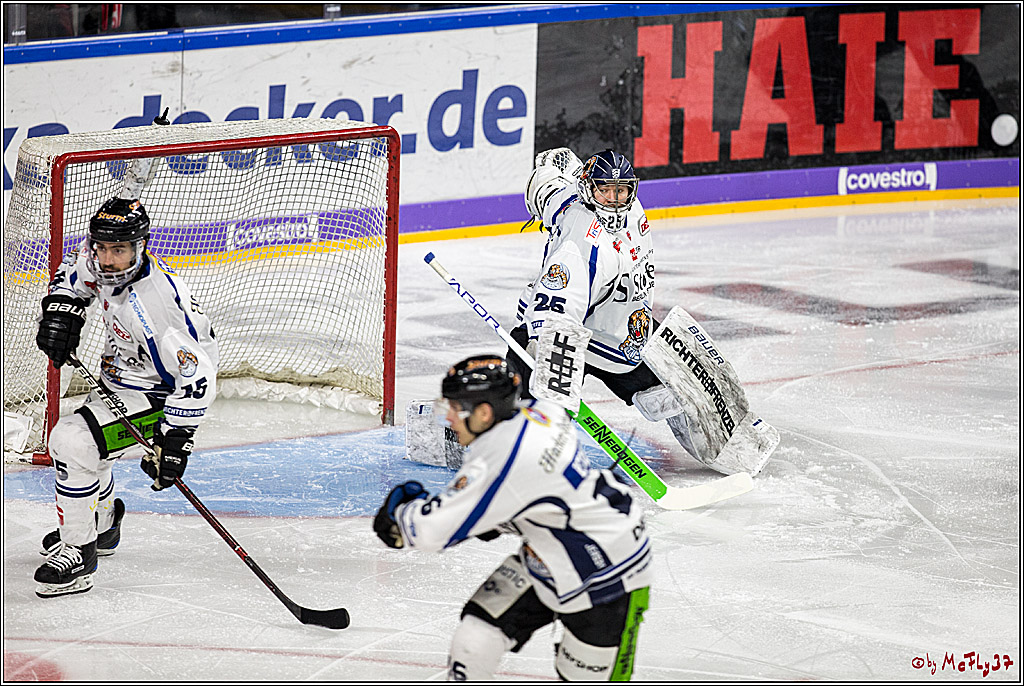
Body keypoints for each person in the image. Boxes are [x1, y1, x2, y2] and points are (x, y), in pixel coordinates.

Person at [374, 355, 651, 681]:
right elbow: (535, 495)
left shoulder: (506, 460)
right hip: (552, 552)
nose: (448, 417)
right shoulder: (541, 412)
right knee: (475, 640)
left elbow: (428, 532)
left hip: (611, 577)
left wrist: (399, 517)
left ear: (485, 412)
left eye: (456, 407)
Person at [512, 148, 771, 476]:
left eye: (620, 190)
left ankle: (731, 442)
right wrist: (548, 367)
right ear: (587, 190)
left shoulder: (624, 209)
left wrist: (555, 166)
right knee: (523, 406)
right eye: (604, 191)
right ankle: (503, 454)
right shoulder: (580, 247)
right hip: (569, 334)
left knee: (683, 380)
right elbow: (557, 316)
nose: (614, 199)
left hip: (621, 336)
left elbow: (546, 189)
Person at [33, 196, 219, 598]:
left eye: (119, 250)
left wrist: (176, 440)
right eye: (101, 247)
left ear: (141, 246)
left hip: (158, 399)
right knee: (90, 446)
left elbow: (198, 373)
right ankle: (102, 525)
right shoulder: (101, 261)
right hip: (119, 383)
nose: (107, 258)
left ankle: (79, 553)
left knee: (72, 441)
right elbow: (73, 272)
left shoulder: (157, 306)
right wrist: (63, 312)